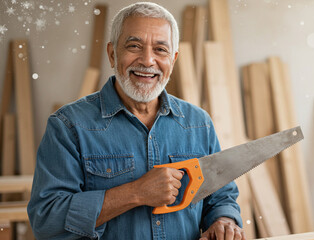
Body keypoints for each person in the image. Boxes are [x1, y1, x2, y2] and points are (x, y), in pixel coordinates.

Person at [27, 2, 245, 239]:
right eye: (134, 46)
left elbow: (221, 197)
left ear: (173, 59)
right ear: (112, 54)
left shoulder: (198, 123)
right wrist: (136, 193)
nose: (148, 60)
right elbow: (47, 220)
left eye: (160, 50)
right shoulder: (68, 126)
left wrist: (224, 221)